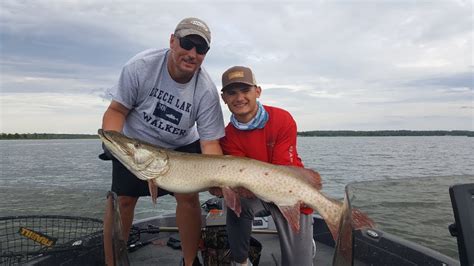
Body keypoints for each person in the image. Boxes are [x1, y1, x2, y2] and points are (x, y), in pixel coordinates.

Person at [100, 17, 225, 266]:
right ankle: (112, 262)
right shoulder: (140, 67)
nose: (192, 53)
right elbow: (116, 110)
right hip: (137, 141)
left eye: (200, 49)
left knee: (188, 199)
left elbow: (210, 143)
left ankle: (190, 262)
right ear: (172, 40)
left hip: (181, 144)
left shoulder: (206, 90)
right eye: (187, 43)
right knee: (122, 201)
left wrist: (218, 177)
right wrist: (113, 141)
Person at [214, 66, 321, 266]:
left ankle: (305, 244)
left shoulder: (282, 119)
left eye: (245, 91)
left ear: (258, 91)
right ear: (224, 98)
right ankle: (241, 261)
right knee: (235, 203)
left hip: (289, 191)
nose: (239, 98)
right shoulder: (227, 137)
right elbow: (242, 179)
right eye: (232, 92)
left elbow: (283, 172)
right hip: (256, 193)